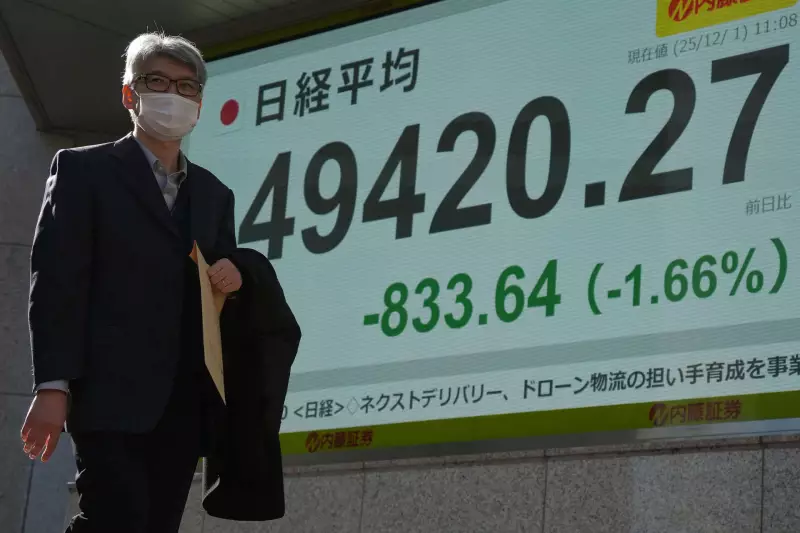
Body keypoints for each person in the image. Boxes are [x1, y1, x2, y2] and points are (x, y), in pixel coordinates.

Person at [20, 32, 245, 533]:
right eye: (157, 81)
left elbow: (223, 270)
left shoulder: (215, 194)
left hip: (183, 400)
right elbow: (56, 281)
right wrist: (53, 386)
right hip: (107, 394)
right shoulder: (82, 170)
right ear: (129, 94)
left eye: (187, 87)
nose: (173, 95)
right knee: (113, 517)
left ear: (199, 103)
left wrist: (235, 272)